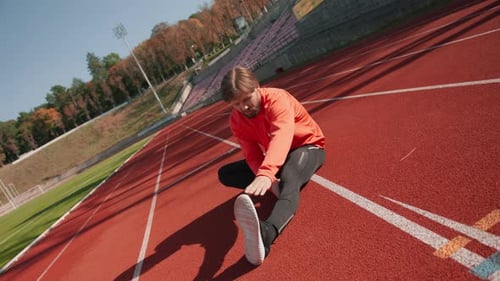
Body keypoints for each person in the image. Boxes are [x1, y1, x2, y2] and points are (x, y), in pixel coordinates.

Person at [217, 66, 326, 265]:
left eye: (247, 99)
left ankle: (267, 233)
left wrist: (266, 174)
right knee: (226, 173)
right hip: (277, 156)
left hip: (307, 147)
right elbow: (252, 154)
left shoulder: (277, 99)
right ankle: (280, 184)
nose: (244, 107)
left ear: (257, 87)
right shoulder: (236, 120)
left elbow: (282, 135)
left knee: (290, 176)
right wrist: (267, 177)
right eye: (236, 104)